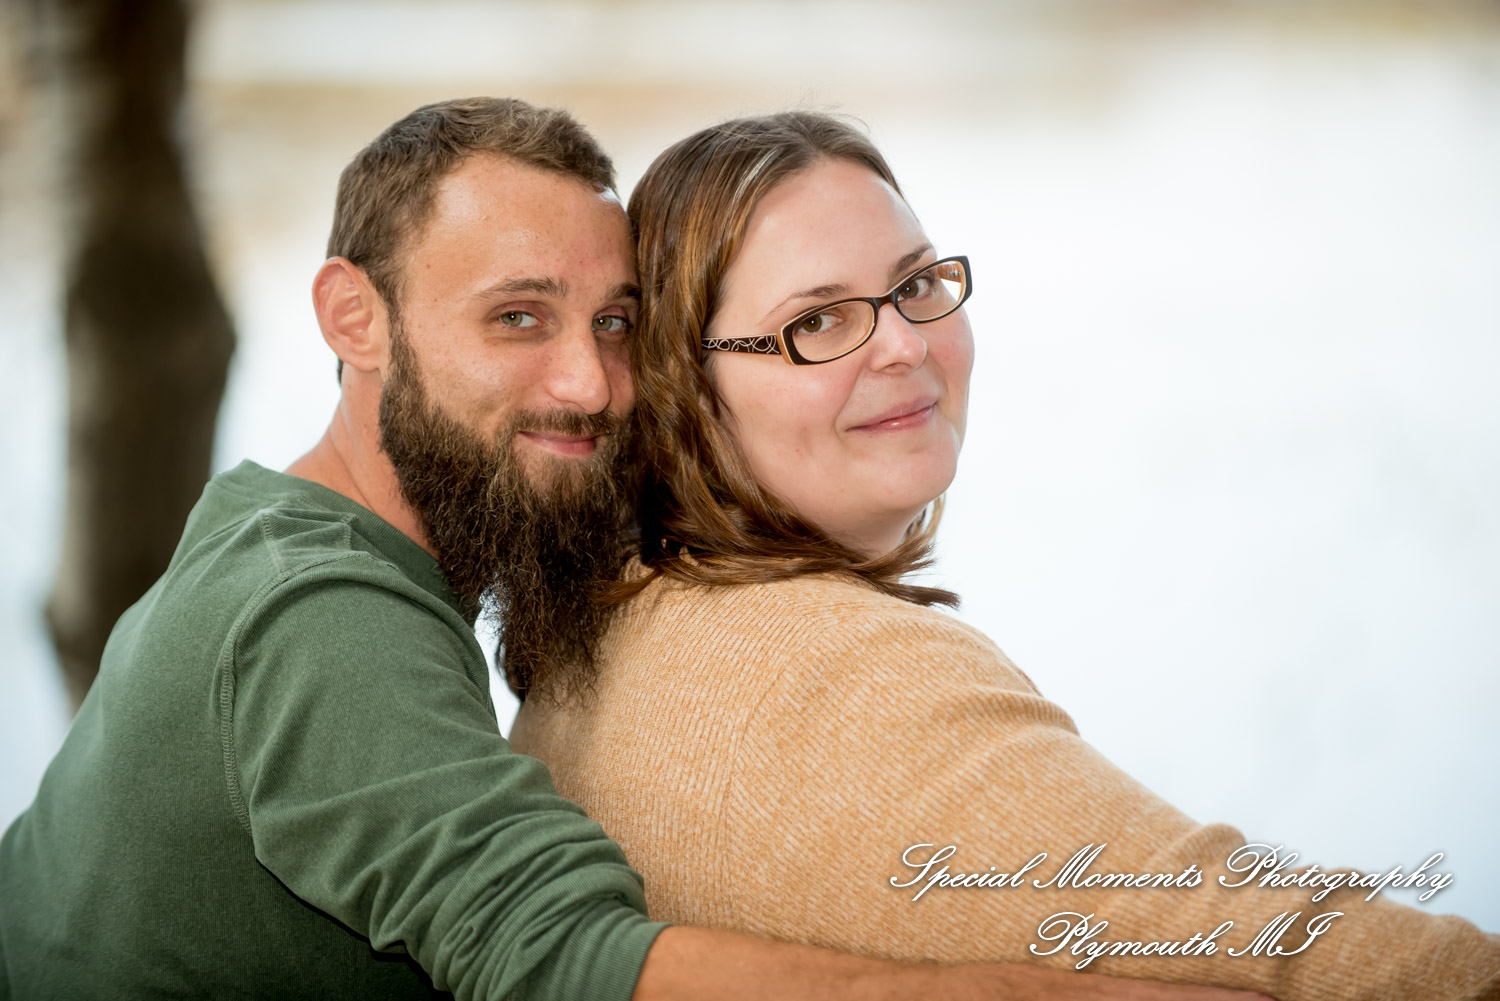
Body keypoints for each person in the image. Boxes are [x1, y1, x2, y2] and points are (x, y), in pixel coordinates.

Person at [0, 97, 1271, 1001]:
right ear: (354, 315)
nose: (590, 383)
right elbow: (555, 956)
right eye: (517, 317)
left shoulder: (275, 525)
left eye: (615, 323)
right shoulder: (318, 613)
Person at [506, 111, 1500, 1000]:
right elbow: (1304, 949)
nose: (904, 345)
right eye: (817, 321)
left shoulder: (616, 622)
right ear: (681, 386)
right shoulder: (852, 680)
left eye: (916, 284)